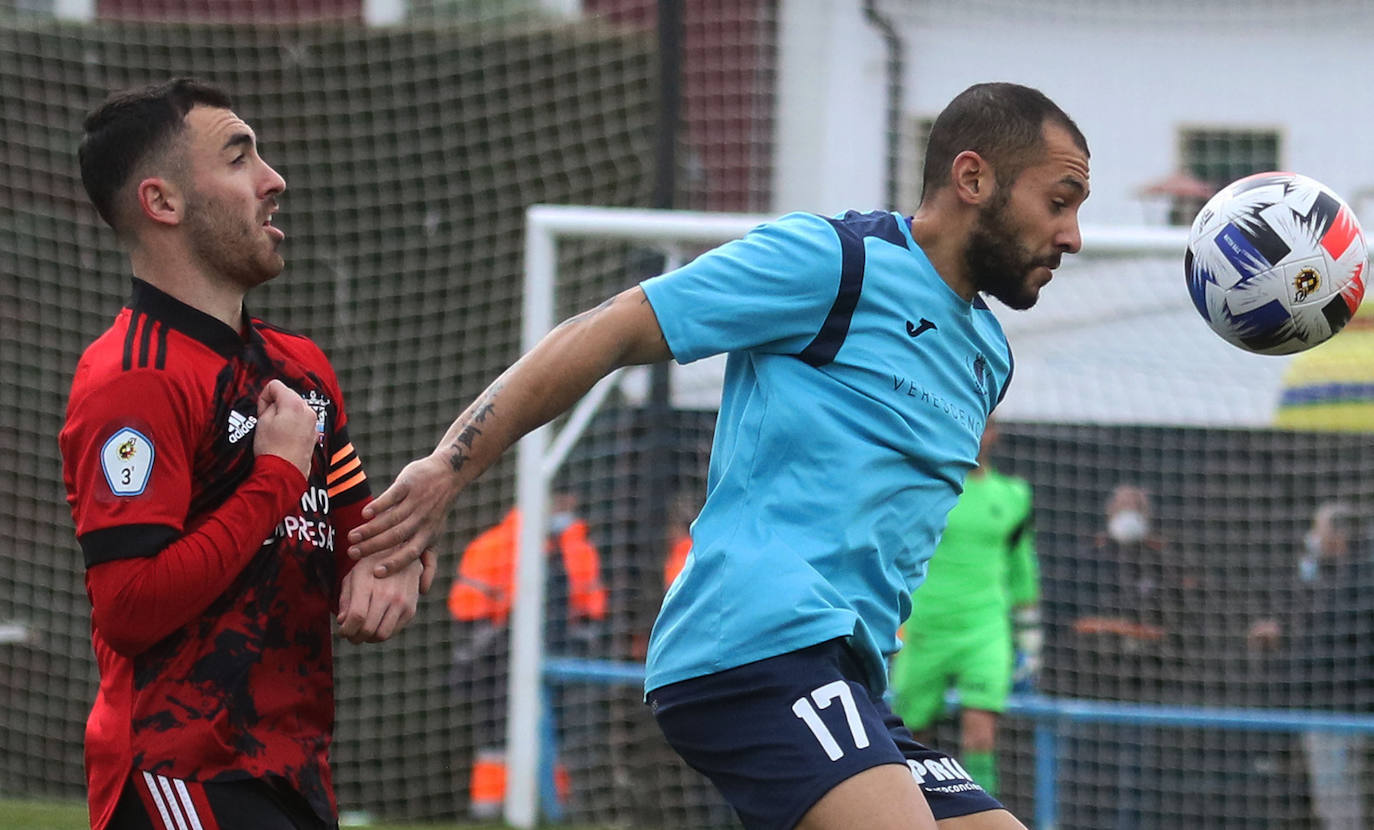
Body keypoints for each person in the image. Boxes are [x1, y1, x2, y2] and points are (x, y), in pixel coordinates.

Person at [349, 81, 1090, 830]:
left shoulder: (987, 356)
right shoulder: (836, 263)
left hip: (844, 674)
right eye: (1059, 201)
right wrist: (449, 465)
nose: (1074, 235)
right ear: (973, 179)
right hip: (752, 643)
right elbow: (612, 326)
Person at [59, 78, 434, 830]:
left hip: (295, 772)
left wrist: (400, 559)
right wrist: (276, 477)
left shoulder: (301, 370)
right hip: (178, 776)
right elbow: (128, 609)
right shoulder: (132, 378)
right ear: (162, 204)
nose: (274, 180)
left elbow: (363, 541)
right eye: (239, 158)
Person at [888, 417, 1040, 799]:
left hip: (985, 630)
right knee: (909, 736)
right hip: (924, 629)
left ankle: (979, 820)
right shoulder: (924, 488)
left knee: (980, 732)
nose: (979, 432)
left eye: (987, 425)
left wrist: (1031, 640)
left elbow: (1023, 570)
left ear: (995, 434)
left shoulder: (1014, 496)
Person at [446, 490, 606, 817]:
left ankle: (554, 812)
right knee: (496, 740)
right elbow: (468, 613)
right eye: (561, 499)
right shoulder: (492, 546)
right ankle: (489, 813)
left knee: (558, 738)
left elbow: (593, 612)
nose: (568, 506)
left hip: (562, 659)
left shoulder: (581, 552)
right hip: (496, 663)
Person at [1247, 501, 1373, 830]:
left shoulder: (1358, 578)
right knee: (1327, 799)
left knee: (1340, 800)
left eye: (1318, 529)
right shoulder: (1321, 574)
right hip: (1319, 705)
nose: (1312, 537)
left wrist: (1287, 633)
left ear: (1337, 535)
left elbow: (1333, 635)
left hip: (1342, 707)